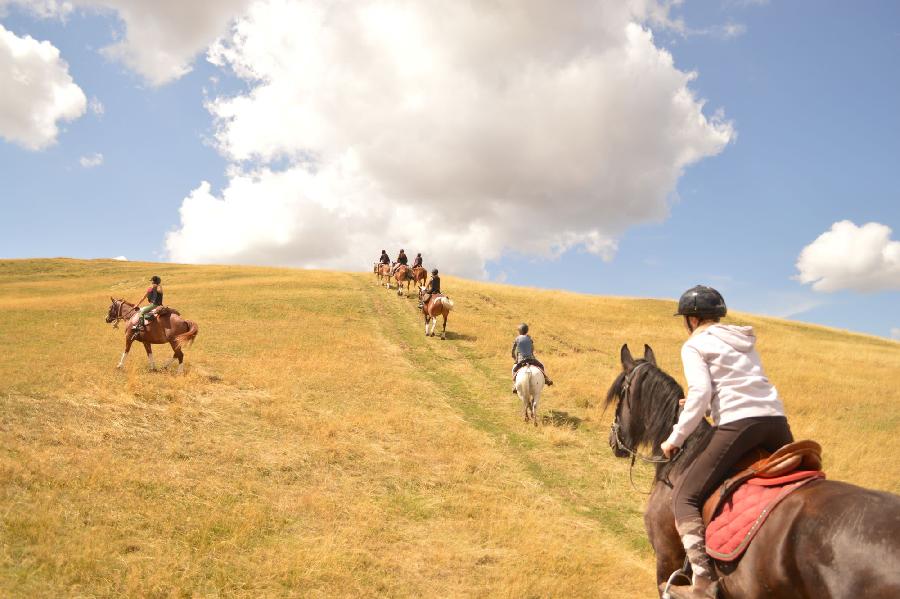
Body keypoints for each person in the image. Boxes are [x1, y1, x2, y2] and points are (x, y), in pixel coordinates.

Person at [661, 285, 792, 599]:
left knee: (685, 498)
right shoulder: (743, 340)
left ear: (691, 319)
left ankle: (703, 584)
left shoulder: (694, 345)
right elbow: (737, 386)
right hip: (776, 421)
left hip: (739, 424)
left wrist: (675, 437)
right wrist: (700, 405)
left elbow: (703, 392)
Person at [510, 323, 553, 393]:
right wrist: (531, 355)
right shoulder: (529, 338)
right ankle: (546, 379)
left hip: (521, 360)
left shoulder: (517, 338)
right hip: (531, 359)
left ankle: (515, 384)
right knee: (541, 366)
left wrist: (514, 357)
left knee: (515, 370)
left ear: (519, 331)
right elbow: (532, 348)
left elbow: (513, 350)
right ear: (527, 331)